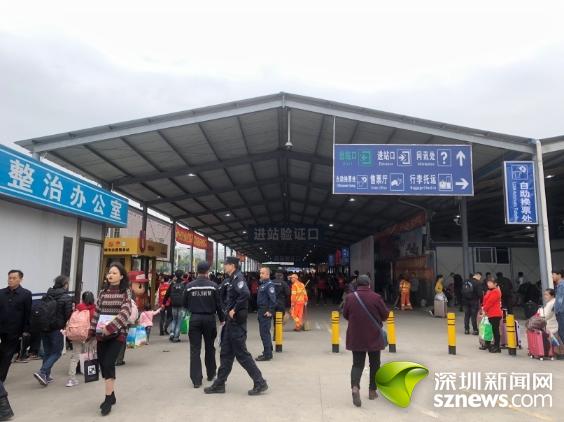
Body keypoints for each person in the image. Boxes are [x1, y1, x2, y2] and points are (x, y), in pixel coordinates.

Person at [204, 257, 268, 396]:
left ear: (232, 265)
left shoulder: (238, 278)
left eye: (226, 264)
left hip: (236, 324)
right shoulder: (232, 279)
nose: (224, 266)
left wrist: (235, 309)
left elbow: (245, 293)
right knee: (226, 353)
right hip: (230, 323)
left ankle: (260, 382)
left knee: (242, 354)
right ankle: (219, 384)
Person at [89, 262, 132, 416]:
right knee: (104, 365)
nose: (111, 275)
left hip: (118, 334)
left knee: (108, 363)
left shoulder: (125, 293)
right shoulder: (102, 293)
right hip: (101, 335)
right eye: (109, 273)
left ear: (121, 276)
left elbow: (125, 313)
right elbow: (97, 313)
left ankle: (107, 399)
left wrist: (111, 327)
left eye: (114, 273)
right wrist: (91, 331)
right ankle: (112, 394)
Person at [343, 275, 389, 407]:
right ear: (369, 284)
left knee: (357, 364)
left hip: (356, 336)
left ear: (357, 285)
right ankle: (372, 391)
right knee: (375, 364)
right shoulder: (376, 297)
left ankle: (355, 387)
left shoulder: (350, 297)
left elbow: (345, 314)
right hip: (373, 336)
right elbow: (385, 315)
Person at [185, 262, 224, 388]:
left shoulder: (189, 286)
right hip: (209, 320)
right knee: (209, 347)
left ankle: (196, 380)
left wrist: (193, 308)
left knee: (195, 349)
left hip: (194, 319)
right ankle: (211, 374)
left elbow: (184, 303)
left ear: (197, 271)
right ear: (208, 272)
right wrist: (222, 319)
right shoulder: (213, 286)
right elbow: (219, 305)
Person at [33, 275, 73, 386]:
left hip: (44, 327)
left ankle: (46, 376)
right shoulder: (66, 297)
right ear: (65, 284)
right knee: (57, 352)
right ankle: (42, 372)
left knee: (47, 352)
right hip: (56, 328)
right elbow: (68, 314)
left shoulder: (47, 295)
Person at [0, 270, 32, 383]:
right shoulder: (1, 293)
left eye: (14, 278)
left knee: (7, 354)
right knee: (2, 352)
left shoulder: (26, 294)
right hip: (1, 327)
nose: (11, 280)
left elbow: (27, 313)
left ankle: (1, 378)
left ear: (20, 279)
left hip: (14, 330)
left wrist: (25, 330)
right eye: (9, 278)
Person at [66, 290, 96, 387]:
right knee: (89, 355)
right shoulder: (94, 310)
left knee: (75, 356)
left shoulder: (77, 309)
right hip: (89, 336)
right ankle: (90, 375)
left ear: (82, 299)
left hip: (76, 335)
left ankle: (71, 379)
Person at [256, 267, 276, 362]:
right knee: (264, 332)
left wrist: (270, 311)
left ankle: (267, 355)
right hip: (261, 310)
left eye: (263, 273)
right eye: (260, 273)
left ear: (268, 274)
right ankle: (268, 350)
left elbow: (273, 299)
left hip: (265, 311)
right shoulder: (263, 284)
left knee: (264, 333)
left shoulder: (269, 285)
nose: (261, 275)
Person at [164, 270, 188, 342]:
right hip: (181, 305)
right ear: (182, 275)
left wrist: (163, 303)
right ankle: (176, 337)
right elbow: (187, 295)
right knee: (179, 320)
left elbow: (167, 294)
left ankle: (172, 333)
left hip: (173, 304)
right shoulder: (185, 284)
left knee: (174, 319)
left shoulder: (172, 284)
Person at [480, 277, 503, 353]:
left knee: (495, 330)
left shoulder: (496, 291)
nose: (488, 284)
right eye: (488, 282)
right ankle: (488, 344)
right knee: (488, 329)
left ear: (495, 284)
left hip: (495, 314)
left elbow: (490, 302)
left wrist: (484, 310)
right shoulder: (490, 291)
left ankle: (497, 346)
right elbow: (485, 301)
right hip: (489, 313)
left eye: (490, 283)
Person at [553, 270, 564, 343]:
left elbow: (559, 300)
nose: (552, 276)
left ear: (559, 275)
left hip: (561, 311)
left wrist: (555, 311)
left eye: (553, 274)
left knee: (562, 331)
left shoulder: (561, 285)